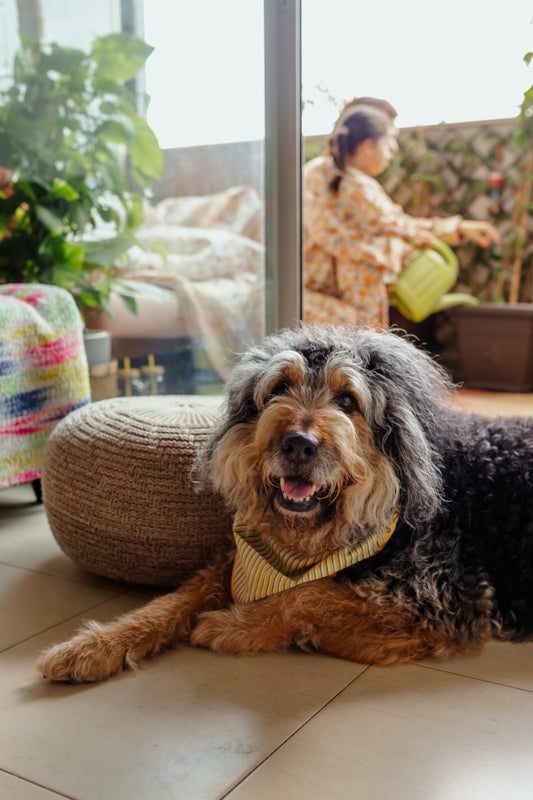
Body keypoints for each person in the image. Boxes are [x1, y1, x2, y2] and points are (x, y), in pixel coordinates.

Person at [303, 99, 501, 328]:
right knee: (366, 348)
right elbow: (401, 226)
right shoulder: (357, 186)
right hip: (345, 305)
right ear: (368, 145)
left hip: (313, 295)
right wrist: (457, 228)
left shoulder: (317, 173)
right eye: (390, 140)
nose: (394, 149)